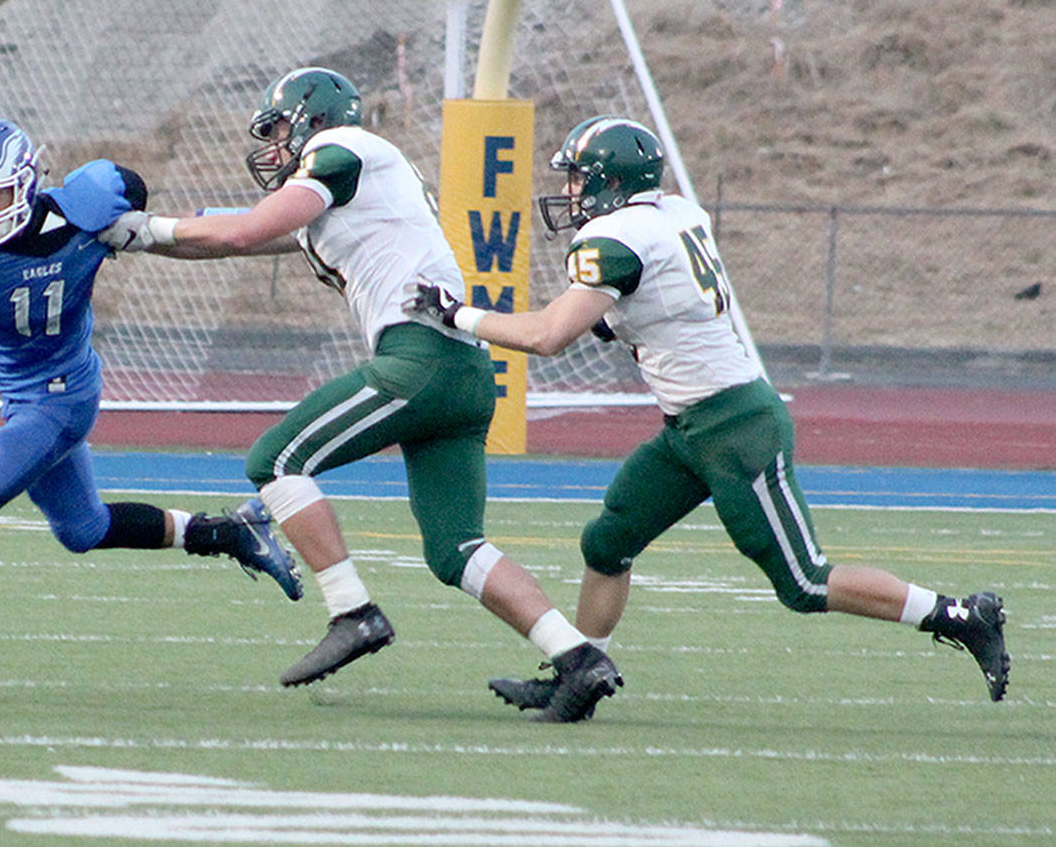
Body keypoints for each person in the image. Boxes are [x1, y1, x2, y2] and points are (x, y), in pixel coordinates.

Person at [404, 115, 1010, 705]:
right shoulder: (676, 213)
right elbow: (640, 311)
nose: (570, 191)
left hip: (736, 425)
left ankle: (961, 615)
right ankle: (580, 675)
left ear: (610, 181)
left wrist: (458, 314)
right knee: (608, 543)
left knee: (803, 581)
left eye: (579, 177)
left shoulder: (616, 239)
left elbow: (548, 336)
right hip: (689, 429)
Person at [100, 67, 620, 722]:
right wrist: (133, 237)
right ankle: (577, 658)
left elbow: (241, 232)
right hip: (461, 371)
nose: (276, 144)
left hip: (421, 359)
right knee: (456, 549)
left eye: (281, 128)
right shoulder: (350, 187)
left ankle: (353, 611)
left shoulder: (341, 149)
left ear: (314, 120)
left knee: (275, 459)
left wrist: (146, 227)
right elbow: (226, 239)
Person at [0, 118, 302, 679]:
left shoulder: (85, 211)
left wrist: (307, 232)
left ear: (27, 182)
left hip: (63, 396)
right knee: (84, 530)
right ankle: (229, 533)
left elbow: (199, 234)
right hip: (18, 389)